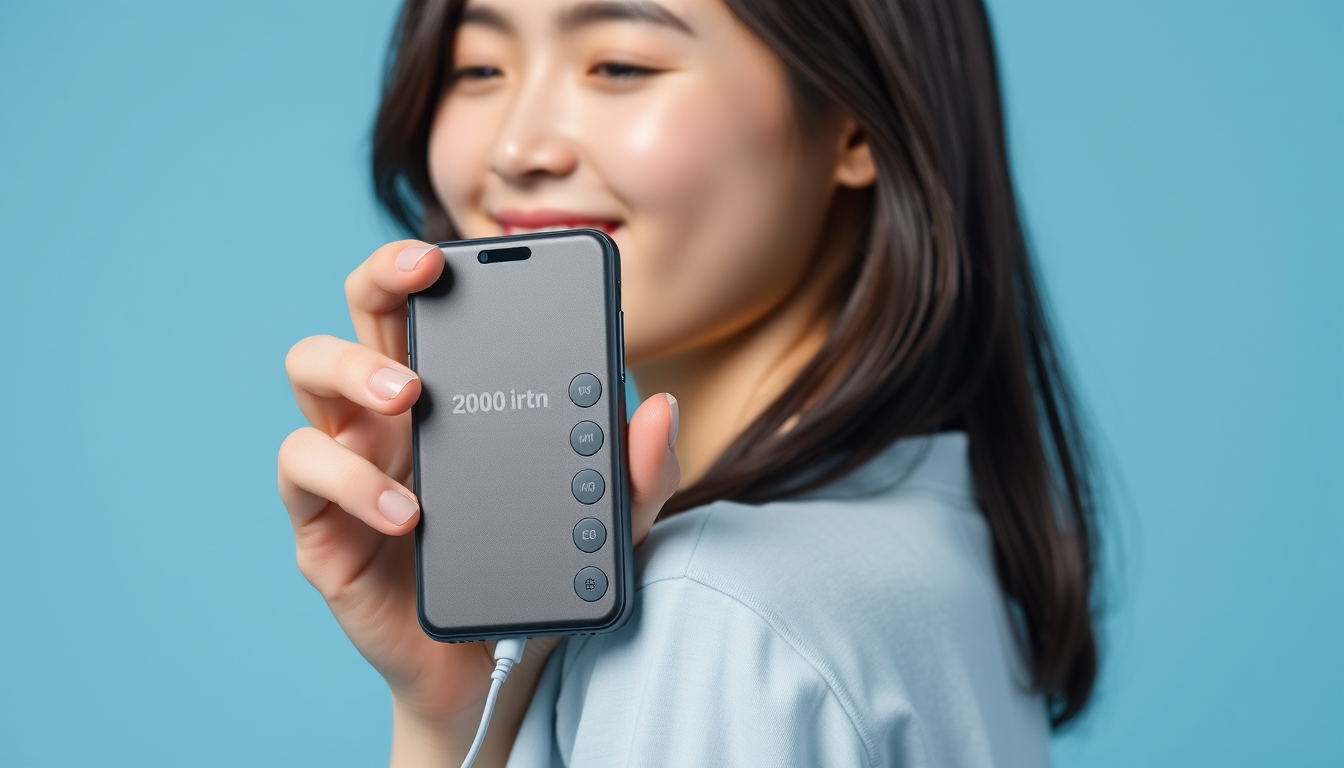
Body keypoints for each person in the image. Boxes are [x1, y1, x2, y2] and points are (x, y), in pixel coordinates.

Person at [277, 0, 1102, 764]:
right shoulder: (935, 533)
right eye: (478, 69)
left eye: (620, 65)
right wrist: (456, 718)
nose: (516, 149)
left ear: (858, 121)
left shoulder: (710, 605)